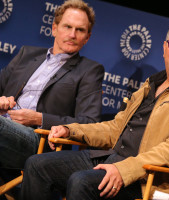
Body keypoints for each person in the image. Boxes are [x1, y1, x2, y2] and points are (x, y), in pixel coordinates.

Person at [20, 19, 169, 200]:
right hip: (111, 159)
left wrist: (125, 170)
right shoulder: (152, 83)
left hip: (146, 179)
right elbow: (115, 129)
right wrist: (71, 129)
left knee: (81, 182)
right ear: (165, 48)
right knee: (37, 165)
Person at [0, 0, 104, 182]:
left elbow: (89, 123)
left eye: (80, 30)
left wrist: (39, 118)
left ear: (87, 37)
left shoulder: (89, 70)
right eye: (67, 27)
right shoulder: (27, 54)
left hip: (38, 142)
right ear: (54, 28)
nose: (72, 34)